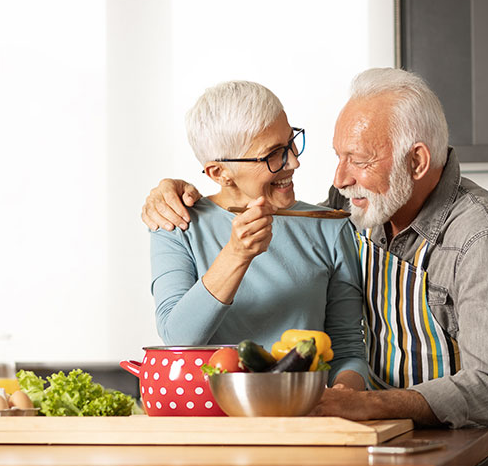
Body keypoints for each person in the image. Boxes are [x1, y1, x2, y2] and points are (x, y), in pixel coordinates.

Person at [141, 68, 488, 466]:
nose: (336, 178)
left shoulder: (475, 235)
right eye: (335, 156)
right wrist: (170, 188)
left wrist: (365, 404)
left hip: (479, 443)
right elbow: (182, 321)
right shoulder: (351, 206)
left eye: (357, 160)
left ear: (415, 161)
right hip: (389, 436)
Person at [150, 80, 368, 385]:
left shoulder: (329, 225)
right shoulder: (178, 225)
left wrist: (342, 397)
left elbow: (346, 350)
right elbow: (178, 338)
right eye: (273, 154)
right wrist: (236, 255)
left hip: (306, 415)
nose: (294, 161)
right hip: (211, 421)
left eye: (291, 142)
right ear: (220, 172)